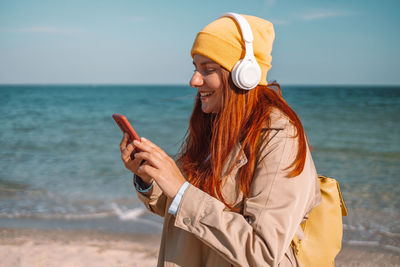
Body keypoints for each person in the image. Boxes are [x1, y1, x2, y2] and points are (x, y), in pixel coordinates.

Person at [119, 12, 321, 267]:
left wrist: (181, 190)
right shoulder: (217, 125)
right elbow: (180, 210)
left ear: (244, 74)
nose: (194, 80)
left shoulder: (280, 138)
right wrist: (148, 178)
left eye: (208, 69)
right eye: (195, 68)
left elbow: (262, 251)